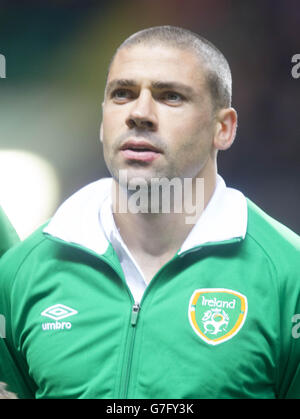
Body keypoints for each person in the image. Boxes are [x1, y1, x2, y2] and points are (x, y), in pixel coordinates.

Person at [0, 25, 299, 399]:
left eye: (170, 96)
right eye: (122, 94)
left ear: (222, 128)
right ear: (103, 118)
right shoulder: (22, 271)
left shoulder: (290, 275)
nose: (139, 113)